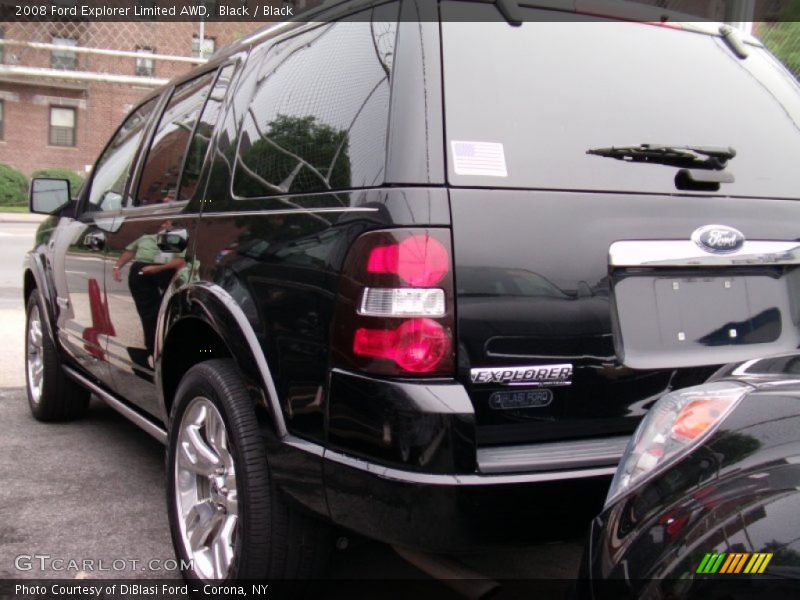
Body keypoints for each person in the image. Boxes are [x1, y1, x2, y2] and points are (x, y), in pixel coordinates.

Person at [112, 220, 186, 364]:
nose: (165, 226)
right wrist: (117, 267)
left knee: (163, 313)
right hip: (140, 275)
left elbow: (180, 262)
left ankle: (163, 347)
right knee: (148, 313)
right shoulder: (145, 238)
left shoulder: (174, 239)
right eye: (164, 223)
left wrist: (156, 269)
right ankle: (152, 348)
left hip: (162, 272)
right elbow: (130, 252)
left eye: (169, 224)